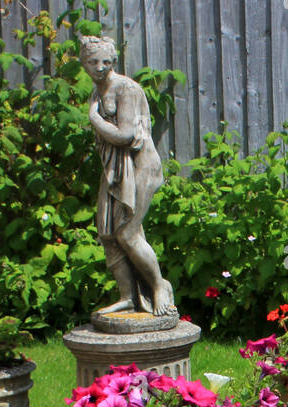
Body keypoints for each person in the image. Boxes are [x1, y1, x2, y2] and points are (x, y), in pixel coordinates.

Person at [79, 35, 175, 318]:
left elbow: (125, 136)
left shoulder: (126, 89)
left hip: (141, 166)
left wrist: (94, 119)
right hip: (116, 169)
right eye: (93, 62)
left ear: (113, 62)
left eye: (106, 62)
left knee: (128, 232)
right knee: (108, 233)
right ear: (84, 63)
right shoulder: (97, 93)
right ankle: (127, 297)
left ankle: (160, 286)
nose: (100, 67)